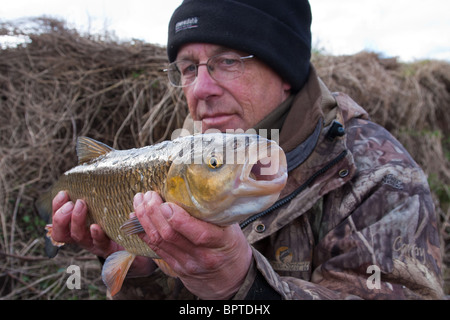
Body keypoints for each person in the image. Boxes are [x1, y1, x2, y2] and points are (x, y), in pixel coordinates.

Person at [50, 0, 444, 299]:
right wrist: (141, 267)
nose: (201, 88)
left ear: (285, 74)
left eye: (227, 61)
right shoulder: (180, 157)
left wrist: (243, 285)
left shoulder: (381, 176)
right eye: (189, 68)